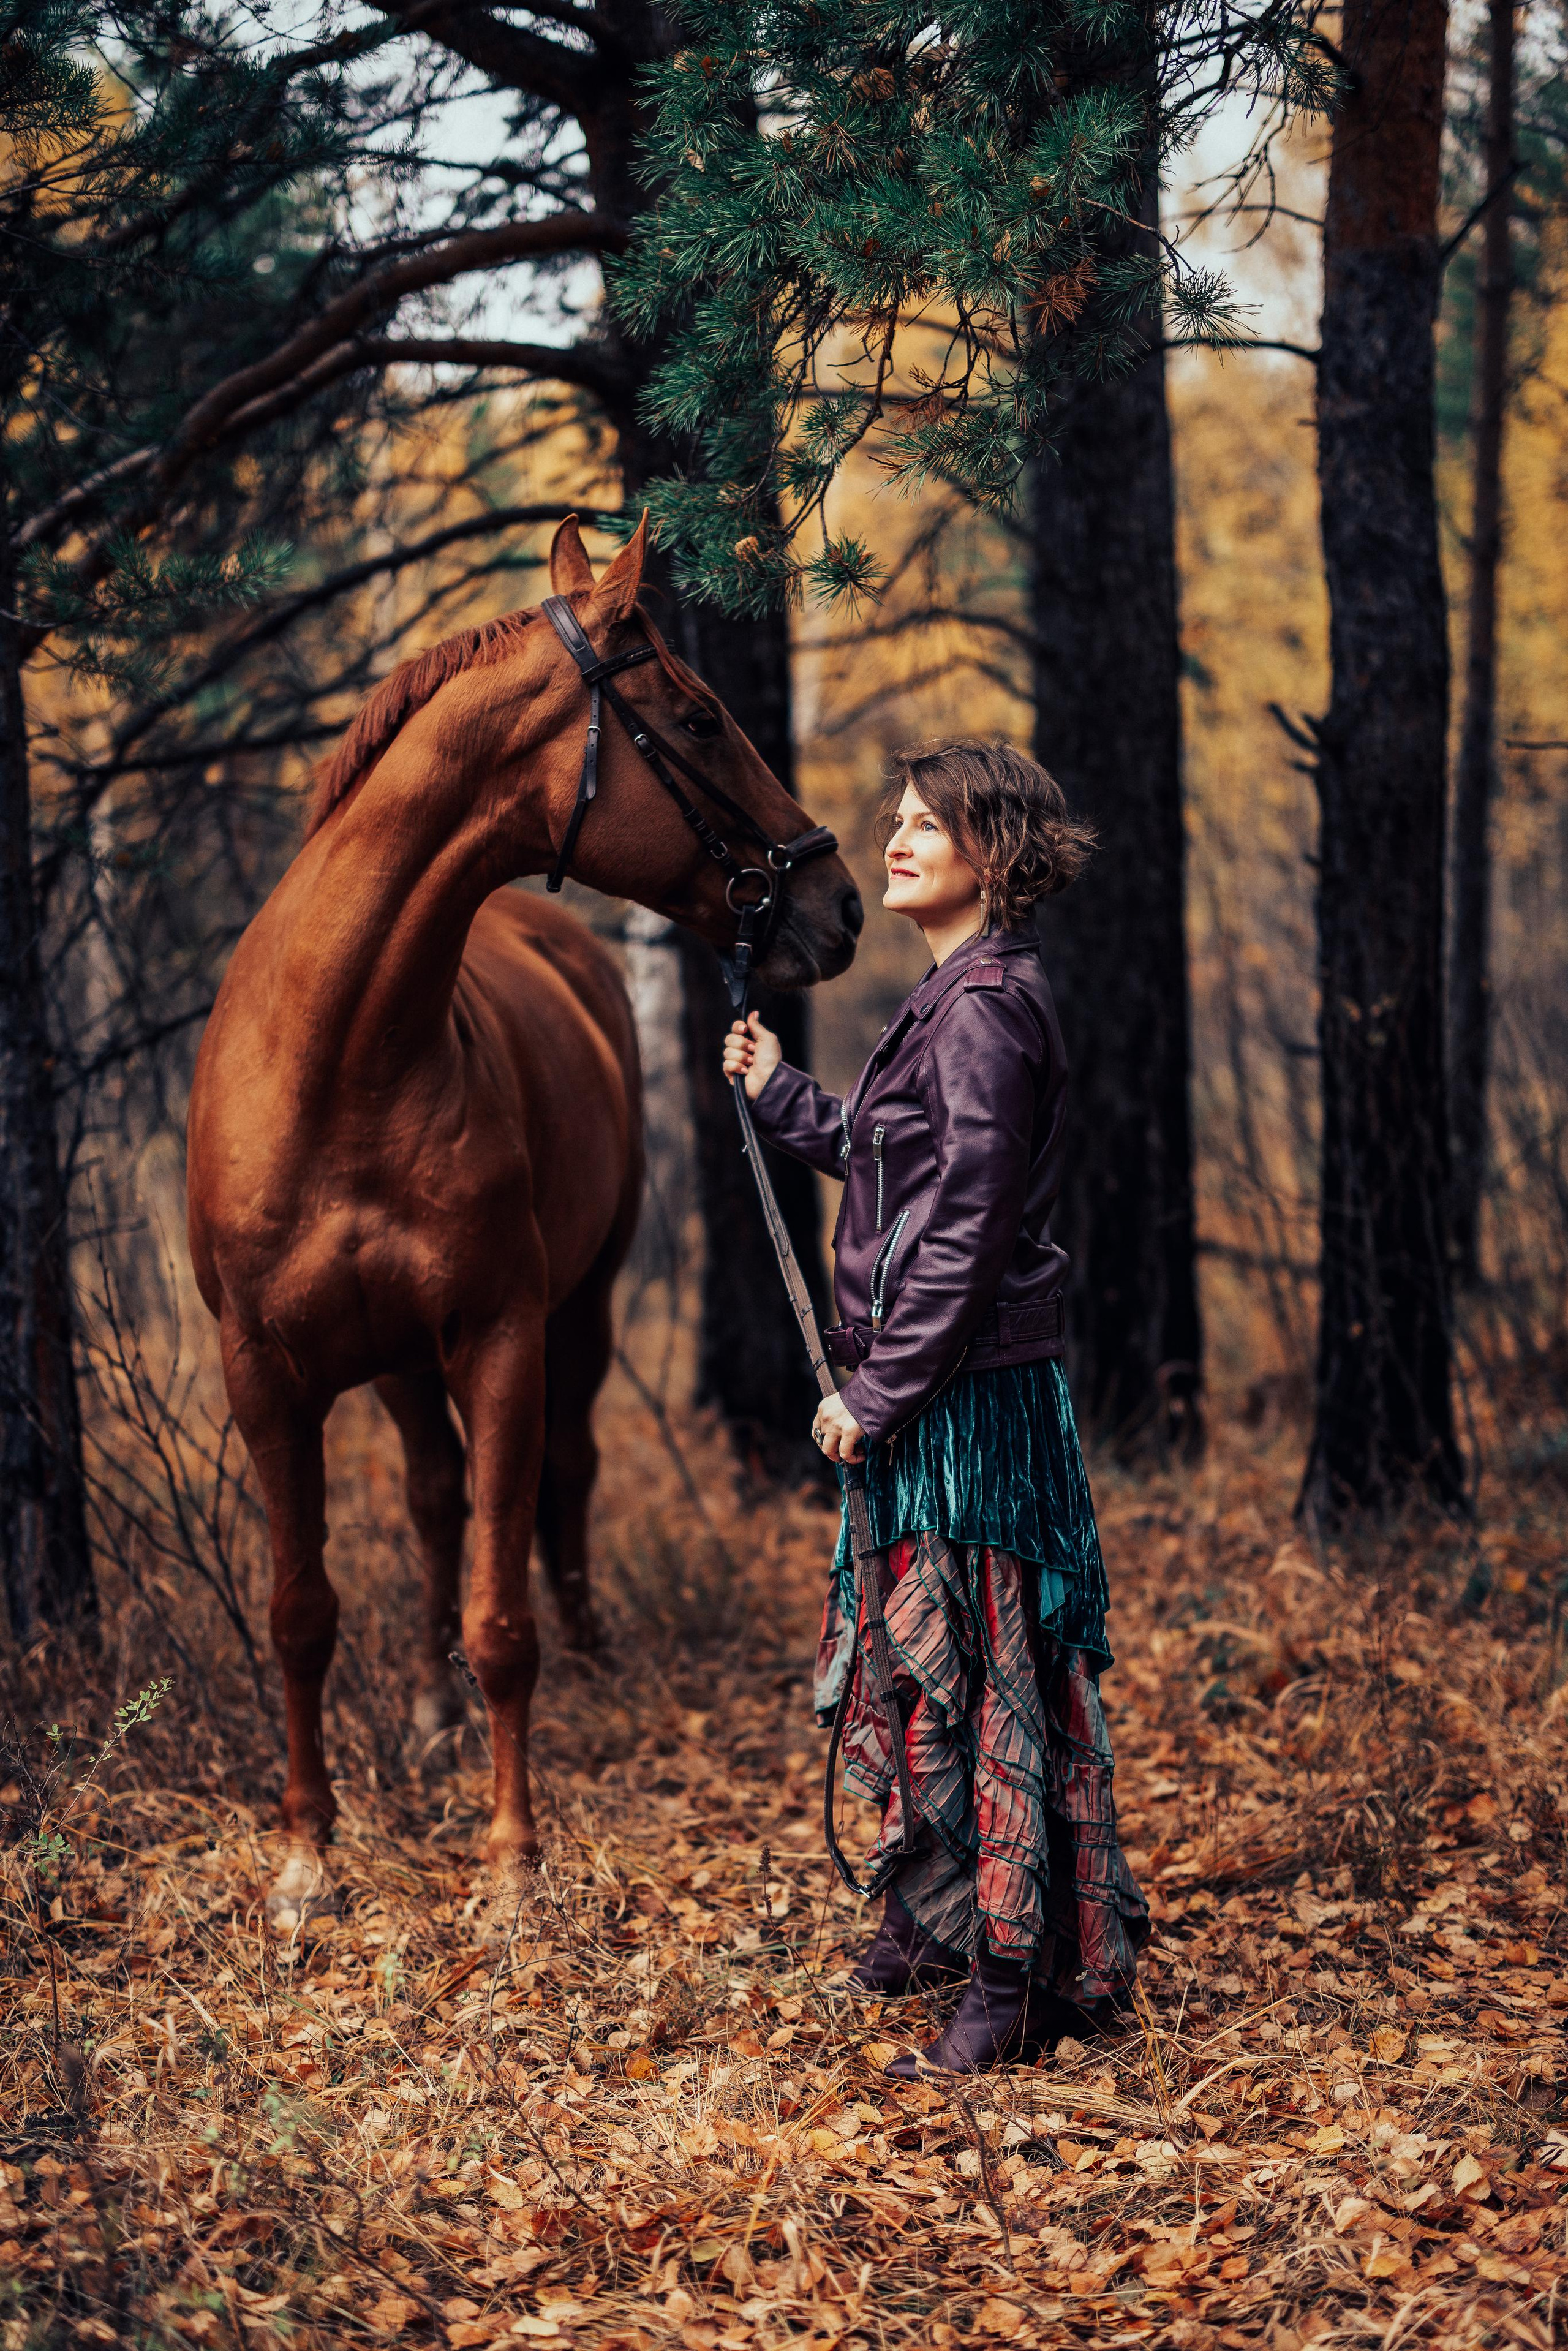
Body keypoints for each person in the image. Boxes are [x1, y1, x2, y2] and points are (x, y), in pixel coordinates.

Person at [722, 739, 1150, 2075]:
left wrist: (878, 1388)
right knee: (926, 1658)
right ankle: (930, 1912)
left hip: (969, 1402)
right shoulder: (958, 993)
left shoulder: (986, 1007)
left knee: (990, 1674)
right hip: (943, 1388)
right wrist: (780, 1094)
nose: (894, 841)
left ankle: (1011, 1973)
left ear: (993, 850)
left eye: (926, 824)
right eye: (896, 819)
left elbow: (965, 1227)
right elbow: (891, 1156)